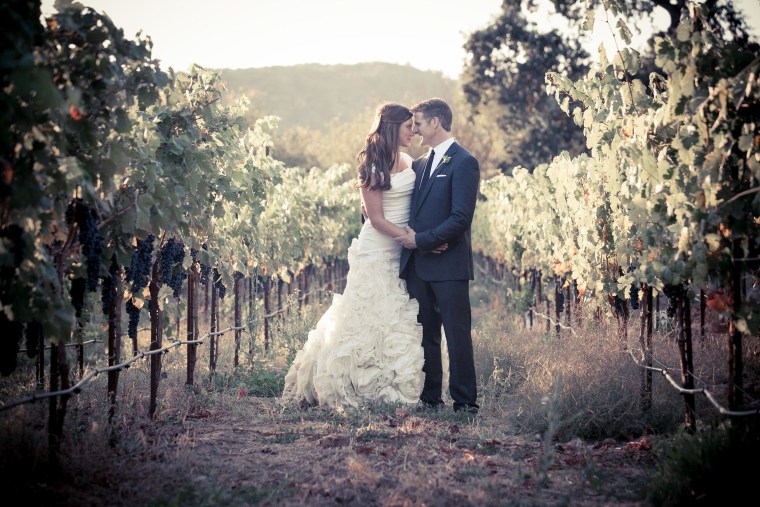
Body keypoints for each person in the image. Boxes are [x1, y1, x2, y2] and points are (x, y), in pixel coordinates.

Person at [281, 103, 436, 409]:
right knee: (366, 312)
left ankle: (389, 380)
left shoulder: (407, 160)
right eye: (408, 127)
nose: (413, 132)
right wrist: (409, 239)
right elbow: (375, 219)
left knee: (392, 315)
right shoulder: (372, 166)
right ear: (393, 128)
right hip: (379, 247)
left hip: (401, 249)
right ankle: (349, 381)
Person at [395, 98, 480, 415]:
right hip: (420, 266)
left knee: (457, 334)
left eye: (417, 123)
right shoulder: (419, 164)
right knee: (425, 333)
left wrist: (423, 240)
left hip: (449, 267)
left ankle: (465, 401)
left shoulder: (464, 162)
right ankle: (430, 397)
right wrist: (420, 244)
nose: (414, 129)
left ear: (435, 123)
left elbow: (461, 218)